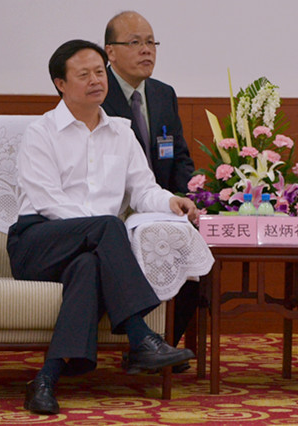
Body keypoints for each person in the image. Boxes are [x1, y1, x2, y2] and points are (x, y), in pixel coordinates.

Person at [7, 39, 198, 415]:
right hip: (37, 242)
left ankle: (44, 381)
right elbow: (48, 201)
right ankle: (140, 337)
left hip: (90, 248)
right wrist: (97, 228)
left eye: (99, 72)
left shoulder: (122, 133)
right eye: (84, 74)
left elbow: (143, 189)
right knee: (108, 228)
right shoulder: (41, 132)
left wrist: (169, 202)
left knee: (89, 267)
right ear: (61, 84)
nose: (96, 80)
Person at [102, 12, 198, 368]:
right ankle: (143, 343)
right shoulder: (97, 94)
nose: (147, 50)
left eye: (151, 42)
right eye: (135, 43)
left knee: (196, 260)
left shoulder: (162, 94)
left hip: (162, 205)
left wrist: (188, 198)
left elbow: (179, 156)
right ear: (111, 52)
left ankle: (165, 343)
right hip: (117, 208)